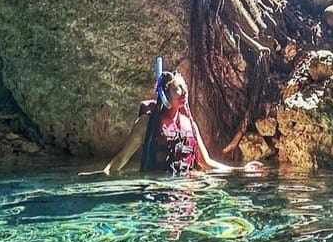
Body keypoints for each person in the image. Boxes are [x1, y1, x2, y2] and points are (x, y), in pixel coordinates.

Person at [101, 69, 262, 176]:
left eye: (184, 87)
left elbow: (206, 163)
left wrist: (240, 170)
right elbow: (121, 159)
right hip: (157, 192)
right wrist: (102, 177)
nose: (184, 91)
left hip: (185, 193)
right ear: (164, 95)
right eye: (177, 88)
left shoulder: (190, 125)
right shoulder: (146, 124)